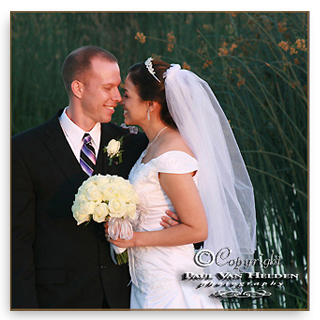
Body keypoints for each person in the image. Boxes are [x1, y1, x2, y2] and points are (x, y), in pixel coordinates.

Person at [11, 46, 176, 309]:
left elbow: (171, 194)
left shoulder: (133, 143)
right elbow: (16, 246)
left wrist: (173, 218)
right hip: (59, 302)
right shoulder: (22, 150)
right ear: (78, 88)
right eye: (107, 88)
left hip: (126, 300)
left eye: (119, 89)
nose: (118, 97)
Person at [107, 58, 256, 309]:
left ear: (151, 105)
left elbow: (197, 230)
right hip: (149, 279)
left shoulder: (171, 154)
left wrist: (133, 239)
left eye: (127, 94)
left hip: (170, 283)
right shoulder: (153, 145)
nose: (122, 100)